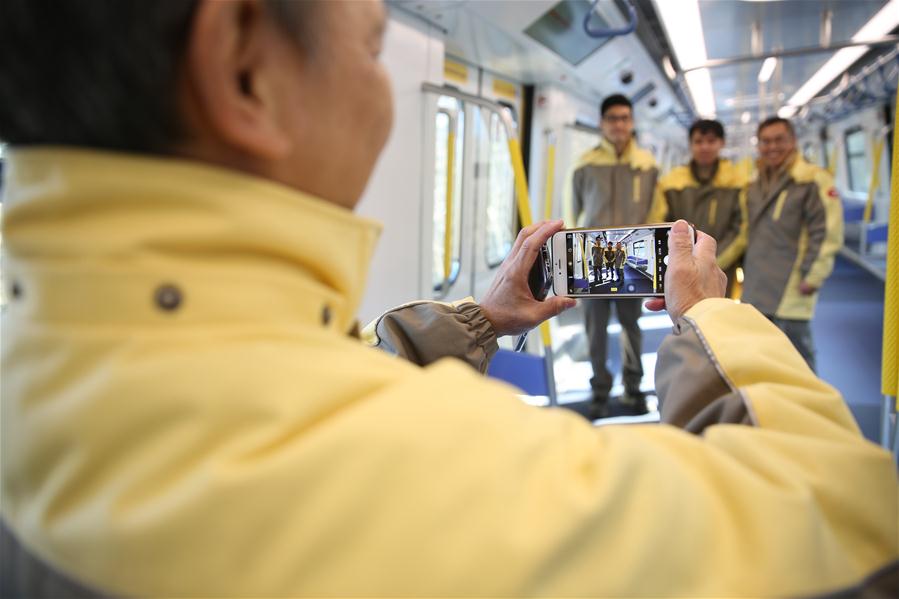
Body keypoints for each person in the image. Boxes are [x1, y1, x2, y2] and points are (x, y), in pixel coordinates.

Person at [0, 2, 895, 597]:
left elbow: (322, 377)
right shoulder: (460, 474)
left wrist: (480, 319)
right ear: (243, 69)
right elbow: (848, 524)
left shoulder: (45, 365)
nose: (384, 95)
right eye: (370, 49)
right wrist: (713, 316)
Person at [568, 94, 660, 417]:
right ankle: (600, 390)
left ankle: (633, 390)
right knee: (595, 329)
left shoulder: (647, 165)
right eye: (612, 118)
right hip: (593, 259)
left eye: (624, 118)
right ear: (602, 123)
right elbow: (573, 214)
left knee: (630, 326)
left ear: (632, 122)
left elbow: (656, 212)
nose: (619, 124)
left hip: (633, 261)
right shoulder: (585, 164)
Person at [738, 117, 844, 371]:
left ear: (793, 141)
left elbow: (828, 232)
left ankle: (810, 410)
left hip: (792, 285)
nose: (772, 147)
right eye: (765, 141)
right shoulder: (752, 184)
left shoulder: (812, 180)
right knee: (760, 357)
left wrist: (814, 276)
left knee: (799, 363)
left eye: (779, 140)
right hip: (757, 283)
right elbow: (745, 232)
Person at [650, 119, 747, 295]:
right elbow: (659, 223)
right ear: (690, 144)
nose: (704, 147)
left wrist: (713, 260)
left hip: (722, 267)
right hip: (682, 266)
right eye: (698, 142)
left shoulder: (738, 181)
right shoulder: (671, 182)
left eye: (711, 141)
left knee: (721, 316)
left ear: (721, 143)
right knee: (685, 316)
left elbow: (741, 230)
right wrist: (681, 259)